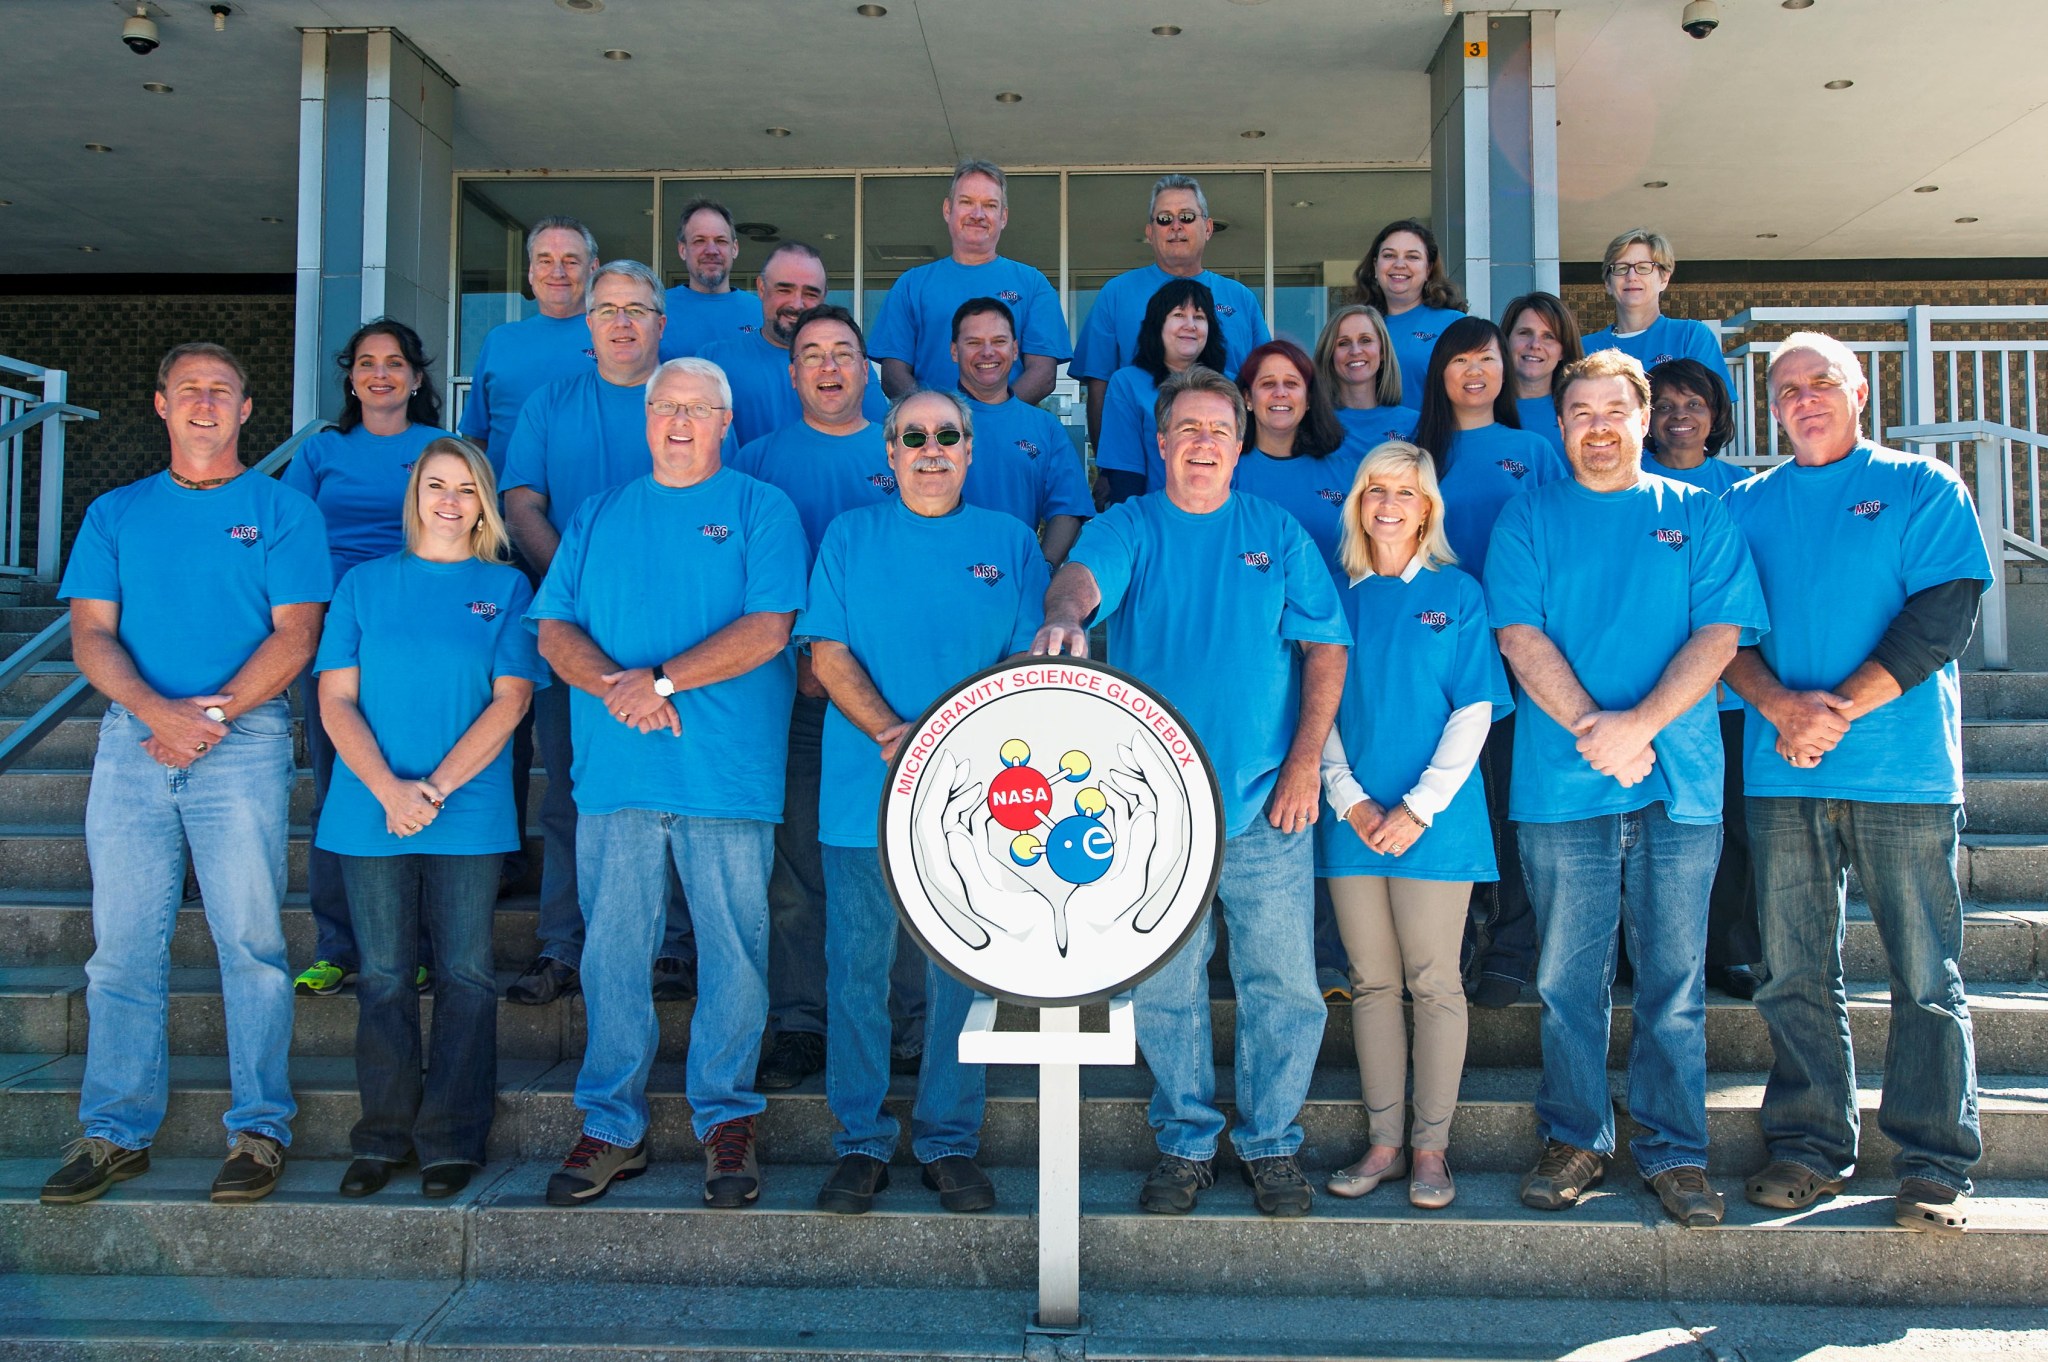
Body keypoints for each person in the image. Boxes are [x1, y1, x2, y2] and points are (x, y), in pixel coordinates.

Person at [1035, 365, 1350, 1219]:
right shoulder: (1129, 523)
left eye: (1219, 430)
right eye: (1188, 430)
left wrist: (1302, 767)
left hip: (1264, 805)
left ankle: (1273, 1142)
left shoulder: (1276, 531)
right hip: (1153, 812)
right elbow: (1081, 582)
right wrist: (1067, 615)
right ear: (1161, 443)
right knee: (1165, 986)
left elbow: (1327, 650)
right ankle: (1184, 1139)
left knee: (1281, 982)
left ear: (1240, 445)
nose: (1203, 444)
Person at [41, 343, 329, 1208]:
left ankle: (259, 1129)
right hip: (133, 740)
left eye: (223, 391)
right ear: (161, 404)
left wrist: (207, 717)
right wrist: (156, 712)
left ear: (248, 411)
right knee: (122, 949)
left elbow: (297, 635)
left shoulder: (282, 511)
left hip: (239, 742)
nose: (206, 403)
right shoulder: (117, 512)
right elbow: (91, 633)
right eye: (190, 389)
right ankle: (115, 1131)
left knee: (253, 945)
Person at [1485, 349, 1767, 1229]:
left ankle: (1676, 1151)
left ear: (1644, 419)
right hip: (1563, 791)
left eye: (1616, 410)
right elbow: (1519, 635)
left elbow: (1723, 634)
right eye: (1581, 411)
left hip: (1678, 786)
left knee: (1675, 983)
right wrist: (1596, 732)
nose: (1600, 426)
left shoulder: (1699, 513)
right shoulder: (1528, 515)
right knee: (1569, 982)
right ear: (1559, 423)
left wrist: (1637, 726)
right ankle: (1576, 1137)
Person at [1722, 332, 1990, 1235]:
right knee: (1793, 969)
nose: (1803, 399)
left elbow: (1942, 616)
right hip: (1780, 775)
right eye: (1786, 388)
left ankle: (1933, 1162)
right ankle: (1807, 1145)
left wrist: (1830, 711)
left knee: (1924, 973)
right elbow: (1726, 635)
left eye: (1821, 381)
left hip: (1902, 774)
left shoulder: (1922, 487)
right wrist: (1781, 711)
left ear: (1861, 389)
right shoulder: (1746, 504)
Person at [531, 356, 808, 1208]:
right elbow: (553, 631)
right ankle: (612, 1126)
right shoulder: (598, 514)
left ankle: (726, 1120)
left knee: (733, 954)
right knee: (613, 953)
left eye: (698, 409)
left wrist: (659, 682)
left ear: (727, 423)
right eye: (665, 408)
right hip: (617, 774)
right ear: (644, 419)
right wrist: (626, 687)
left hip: (724, 776)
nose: (679, 422)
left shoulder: (763, 508)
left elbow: (768, 630)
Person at [801, 388, 1048, 1216]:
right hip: (859, 798)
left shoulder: (1010, 543)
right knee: (857, 974)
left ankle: (947, 1139)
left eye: (949, 435)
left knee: (961, 976)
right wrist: (898, 737)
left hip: (974, 806)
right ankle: (861, 1140)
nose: (932, 447)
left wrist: (948, 750)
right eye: (915, 436)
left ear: (971, 450)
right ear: (891, 451)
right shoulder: (849, 534)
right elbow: (827, 657)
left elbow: (1027, 670)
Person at [316, 437, 544, 1200]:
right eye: (436, 485)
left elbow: (510, 700)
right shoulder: (362, 585)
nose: (450, 500)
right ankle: (382, 1135)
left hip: (468, 808)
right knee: (381, 976)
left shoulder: (505, 590)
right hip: (369, 807)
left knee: (467, 976)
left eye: (467, 488)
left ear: (484, 503)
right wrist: (390, 790)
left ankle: (451, 1137)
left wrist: (434, 790)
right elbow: (336, 700)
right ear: (414, 494)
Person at [729, 304, 919, 1090]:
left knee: (909, 860)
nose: (831, 367)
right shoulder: (757, 457)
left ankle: (911, 1022)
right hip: (786, 701)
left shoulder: (901, 446)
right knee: (798, 871)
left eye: (845, 353)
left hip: (892, 702)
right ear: (793, 371)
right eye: (814, 355)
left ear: (867, 368)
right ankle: (802, 1020)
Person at [1318, 441, 1511, 1212]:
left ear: (1428, 506)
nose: (1388, 504)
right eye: (1374, 491)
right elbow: (1315, 705)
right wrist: (1351, 797)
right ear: (1357, 503)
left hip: (1438, 821)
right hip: (1351, 818)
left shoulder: (1457, 594)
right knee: (1371, 984)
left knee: (1434, 983)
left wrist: (1418, 805)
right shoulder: (1333, 591)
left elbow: (1475, 709)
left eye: (1405, 491)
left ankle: (1431, 1150)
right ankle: (1384, 1142)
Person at [501, 260, 693, 1006]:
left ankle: (674, 949)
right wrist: (576, 589)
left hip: (676, 641)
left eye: (637, 309)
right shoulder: (551, 404)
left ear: (660, 323)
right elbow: (521, 505)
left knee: (676, 790)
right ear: (587, 323)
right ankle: (564, 946)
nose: (621, 322)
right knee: (570, 795)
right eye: (606, 308)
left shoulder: (689, 399)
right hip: (574, 634)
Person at [283, 319, 452, 998]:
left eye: (394, 363)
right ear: (350, 377)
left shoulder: (443, 450)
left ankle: (412, 947)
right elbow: (286, 545)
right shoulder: (322, 454)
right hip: (337, 635)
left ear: (417, 377)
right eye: (365, 363)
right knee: (342, 784)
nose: (379, 374)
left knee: (417, 779)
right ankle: (338, 944)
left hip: (421, 634)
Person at [1409, 317, 1570, 1009]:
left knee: (1506, 804)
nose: (1476, 371)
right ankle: (1444, 943)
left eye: (1489, 358)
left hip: (1513, 656)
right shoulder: (1415, 454)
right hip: (1427, 657)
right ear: (1440, 372)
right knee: (1435, 797)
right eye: (1461, 359)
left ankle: (1510, 945)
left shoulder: (1533, 449)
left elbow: (1566, 548)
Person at [1647, 358, 1761, 998]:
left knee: (1732, 825)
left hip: (1732, 693)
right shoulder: (1629, 483)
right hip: (1654, 692)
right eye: (1665, 405)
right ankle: (1640, 949)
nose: (1679, 416)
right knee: (1652, 824)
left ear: (1715, 414)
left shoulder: (1744, 491)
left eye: (1693, 403)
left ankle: (1731, 951)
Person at [1070, 173, 1270, 445]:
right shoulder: (1116, 294)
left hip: (1226, 464)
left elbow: (1262, 385)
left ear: (1208, 228)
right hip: (1139, 463)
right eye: (1164, 219)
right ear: (1150, 233)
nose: (1176, 226)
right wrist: (1107, 472)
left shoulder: (1241, 299)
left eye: (1187, 217)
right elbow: (1099, 388)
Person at [870, 159, 1070, 403]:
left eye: (989, 205)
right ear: (947, 209)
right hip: (933, 437)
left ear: (1003, 216)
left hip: (1006, 433)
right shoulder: (911, 285)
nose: (977, 215)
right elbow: (893, 374)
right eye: (966, 202)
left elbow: (1043, 374)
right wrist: (940, 421)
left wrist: (993, 417)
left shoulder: (1033, 284)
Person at [699, 241, 887, 449]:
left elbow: (875, 446)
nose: (797, 304)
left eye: (810, 294)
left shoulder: (847, 364)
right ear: (761, 288)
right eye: (784, 290)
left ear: (824, 296)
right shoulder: (714, 360)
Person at [949, 297, 1092, 565]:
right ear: (954, 351)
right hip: (938, 577)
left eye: (999, 341)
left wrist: (1041, 569)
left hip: (1015, 584)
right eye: (973, 342)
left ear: (1015, 350)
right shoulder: (928, 421)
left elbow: (1068, 509)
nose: (988, 352)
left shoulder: (1045, 428)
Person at [457, 216, 598, 476]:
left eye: (571, 261)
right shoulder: (500, 341)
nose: (558, 272)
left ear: (592, 269)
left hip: (595, 510)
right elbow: (476, 438)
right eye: (545, 261)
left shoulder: (616, 339)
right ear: (531, 271)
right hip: (506, 511)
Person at [1229, 339, 1358, 575]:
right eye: (1268, 384)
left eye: (1291, 383)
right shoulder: (1226, 473)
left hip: (1333, 610)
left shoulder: (1349, 475)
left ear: (1308, 399)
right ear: (1247, 398)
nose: (1280, 393)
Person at [1094, 278, 1227, 503]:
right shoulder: (1127, 384)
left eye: (1200, 317)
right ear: (1158, 325)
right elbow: (1126, 477)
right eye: (1178, 315)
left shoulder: (1230, 386)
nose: (1190, 325)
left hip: (1224, 525)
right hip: (1154, 524)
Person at [1581, 229, 1730, 385]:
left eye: (1644, 268)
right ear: (1608, 283)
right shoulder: (1584, 348)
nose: (1631, 277)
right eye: (1621, 268)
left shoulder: (1690, 336)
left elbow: (1717, 406)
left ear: (1664, 279)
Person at [1351, 220, 1467, 406]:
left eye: (1412, 257)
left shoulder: (1455, 324)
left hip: (1434, 434)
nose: (1399, 264)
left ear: (1428, 268)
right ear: (1375, 266)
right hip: (1368, 434)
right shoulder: (1355, 327)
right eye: (1389, 255)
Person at [658, 196, 765, 360]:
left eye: (720, 240)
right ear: (682, 250)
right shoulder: (656, 309)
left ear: (734, 249)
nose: (711, 250)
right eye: (699, 240)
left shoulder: (761, 312)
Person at [1315, 304, 1416, 449]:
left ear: (1382, 352)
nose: (1355, 351)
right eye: (1343, 343)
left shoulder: (1413, 425)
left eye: (1365, 340)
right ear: (1329, 355)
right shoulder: (1314, 424)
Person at [1500, 292, 1583, 461]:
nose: (1535, 345)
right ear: (1506, 340)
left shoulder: (1583, 411)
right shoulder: (1482, 410)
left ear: (1563, 350)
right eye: (1524, 333)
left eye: (1549, 336)